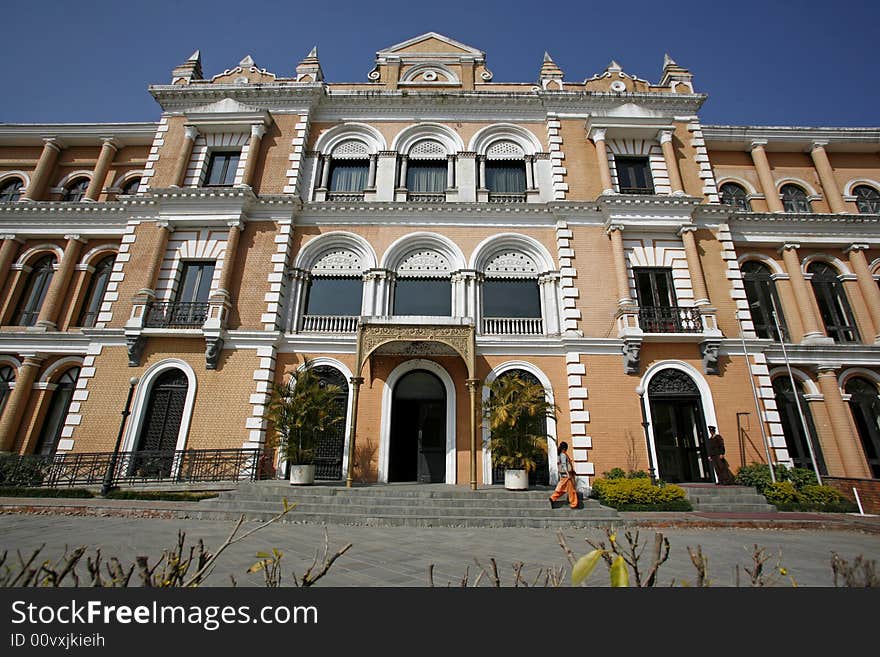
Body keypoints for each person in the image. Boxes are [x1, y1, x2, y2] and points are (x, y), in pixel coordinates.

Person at [549, 442, 579, 509]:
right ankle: (574, 504)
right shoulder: (563, 455)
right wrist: (568, 474)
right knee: (572, 491)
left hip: (564, 475)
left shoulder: (560, 455)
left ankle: (552, 498)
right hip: (566, 476)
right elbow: (564, 465)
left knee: (562, 490)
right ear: (565, 448)